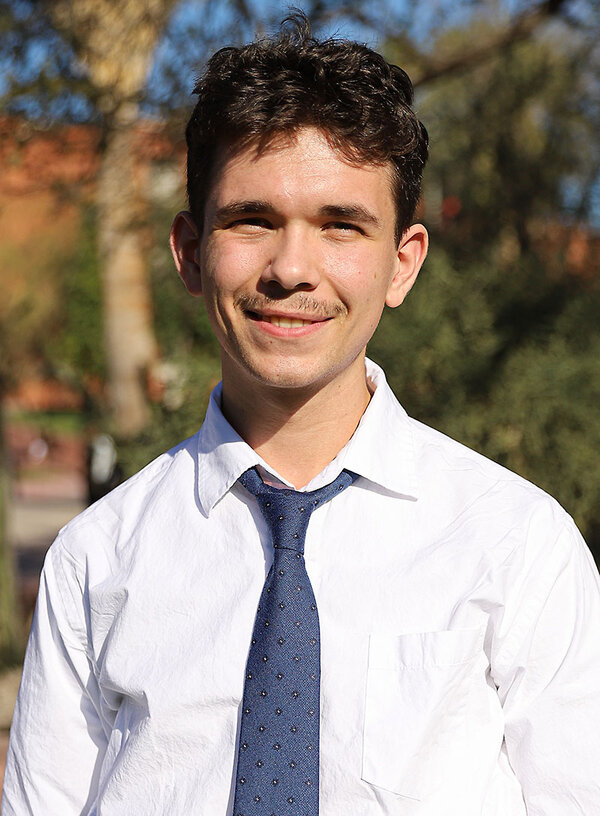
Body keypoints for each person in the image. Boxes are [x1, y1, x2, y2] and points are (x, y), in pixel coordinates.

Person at [3, 14, 600, 816]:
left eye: (340, 226)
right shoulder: (95, 563)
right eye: (252, 220)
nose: (291, 269)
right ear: (189, 251)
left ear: (402, 262)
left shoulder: (519, 549)